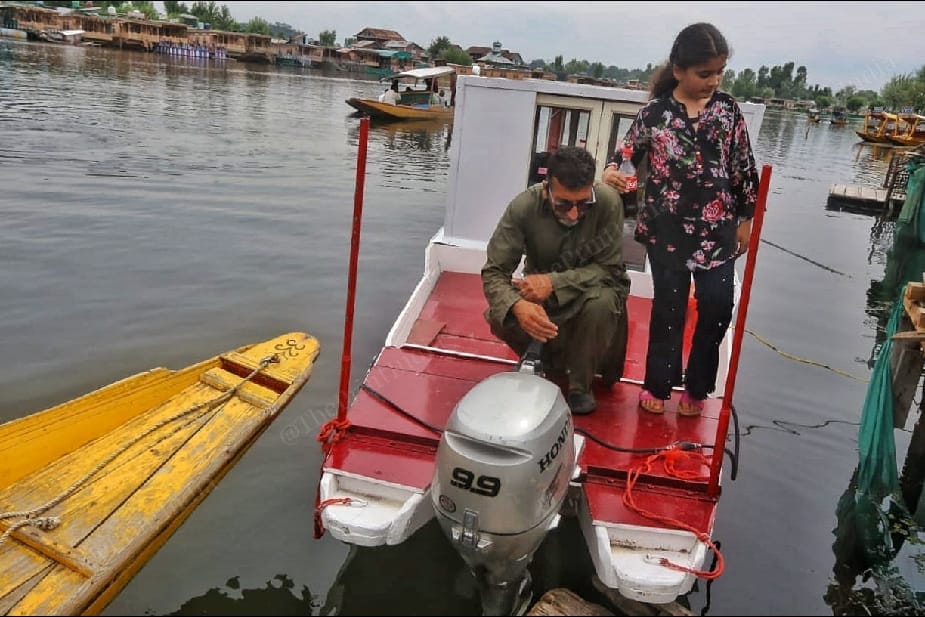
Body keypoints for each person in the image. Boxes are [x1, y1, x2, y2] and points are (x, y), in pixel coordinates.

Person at [602, 22, 759, 416]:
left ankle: (698, 387)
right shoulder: (654, 113)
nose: (714, 80)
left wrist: (746, 219)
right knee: (668, 308)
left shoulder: (728, 110)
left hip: (718, 228)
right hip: (666, 228)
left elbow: (742, 167)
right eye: (705, 73)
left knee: (718, 303)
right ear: (679, 71)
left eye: (719, 72)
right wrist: (611, 172)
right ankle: (658, 385)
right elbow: (626, 155)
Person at [482, 146, 630, 415]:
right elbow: (494, 272)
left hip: (592, 294)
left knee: (603, 302)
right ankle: (546, 361)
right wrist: (517, 304)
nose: (574, 213)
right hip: (542, 300)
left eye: (583, 204)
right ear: (547, 188)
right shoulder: (523, 207)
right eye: (563, 204)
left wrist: (554, 282)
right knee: (498, 314)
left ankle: (580, 386)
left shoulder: (609, 202)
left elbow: (609, 269)